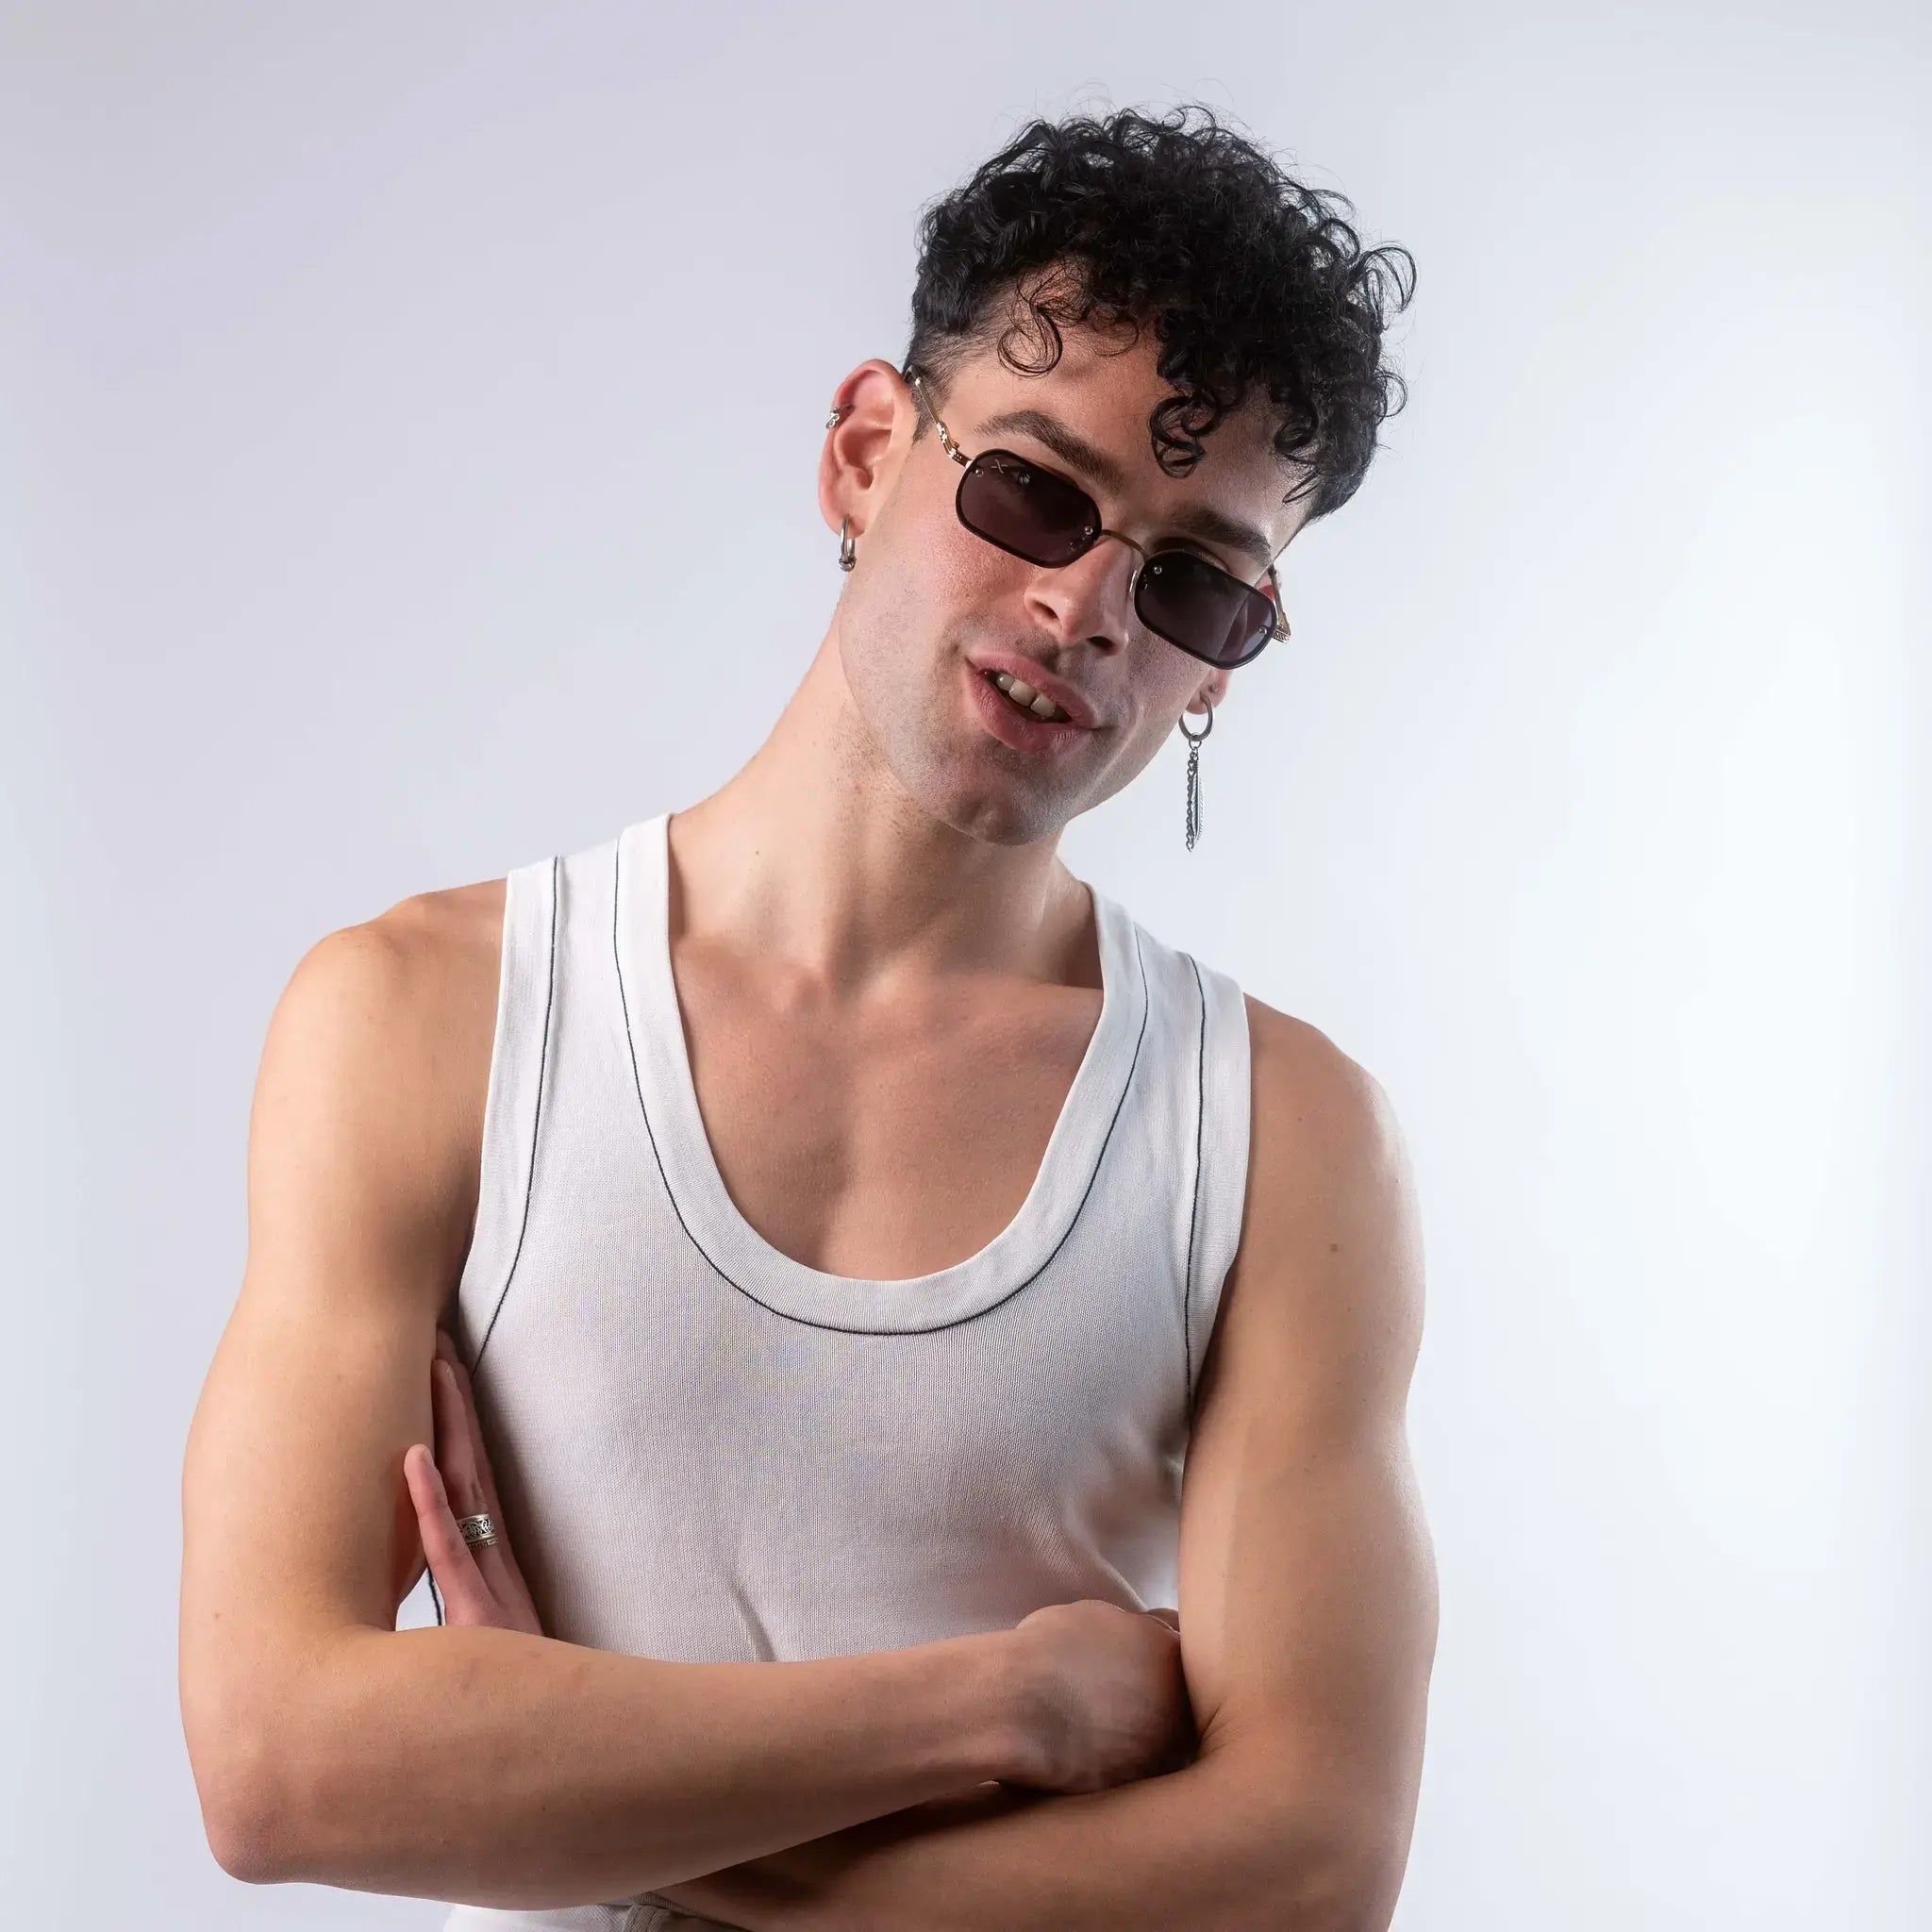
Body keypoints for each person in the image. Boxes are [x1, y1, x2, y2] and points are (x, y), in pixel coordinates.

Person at [180, 102, 1436, 1931]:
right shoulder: (426, 1017)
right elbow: (280, 1759)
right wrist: (994, 1702)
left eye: (1191, 582)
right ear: (863, 454)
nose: (1083, 605)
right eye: (1032, 488)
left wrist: (587, 1787)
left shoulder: (1282, 1137)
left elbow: (1311, 1864)